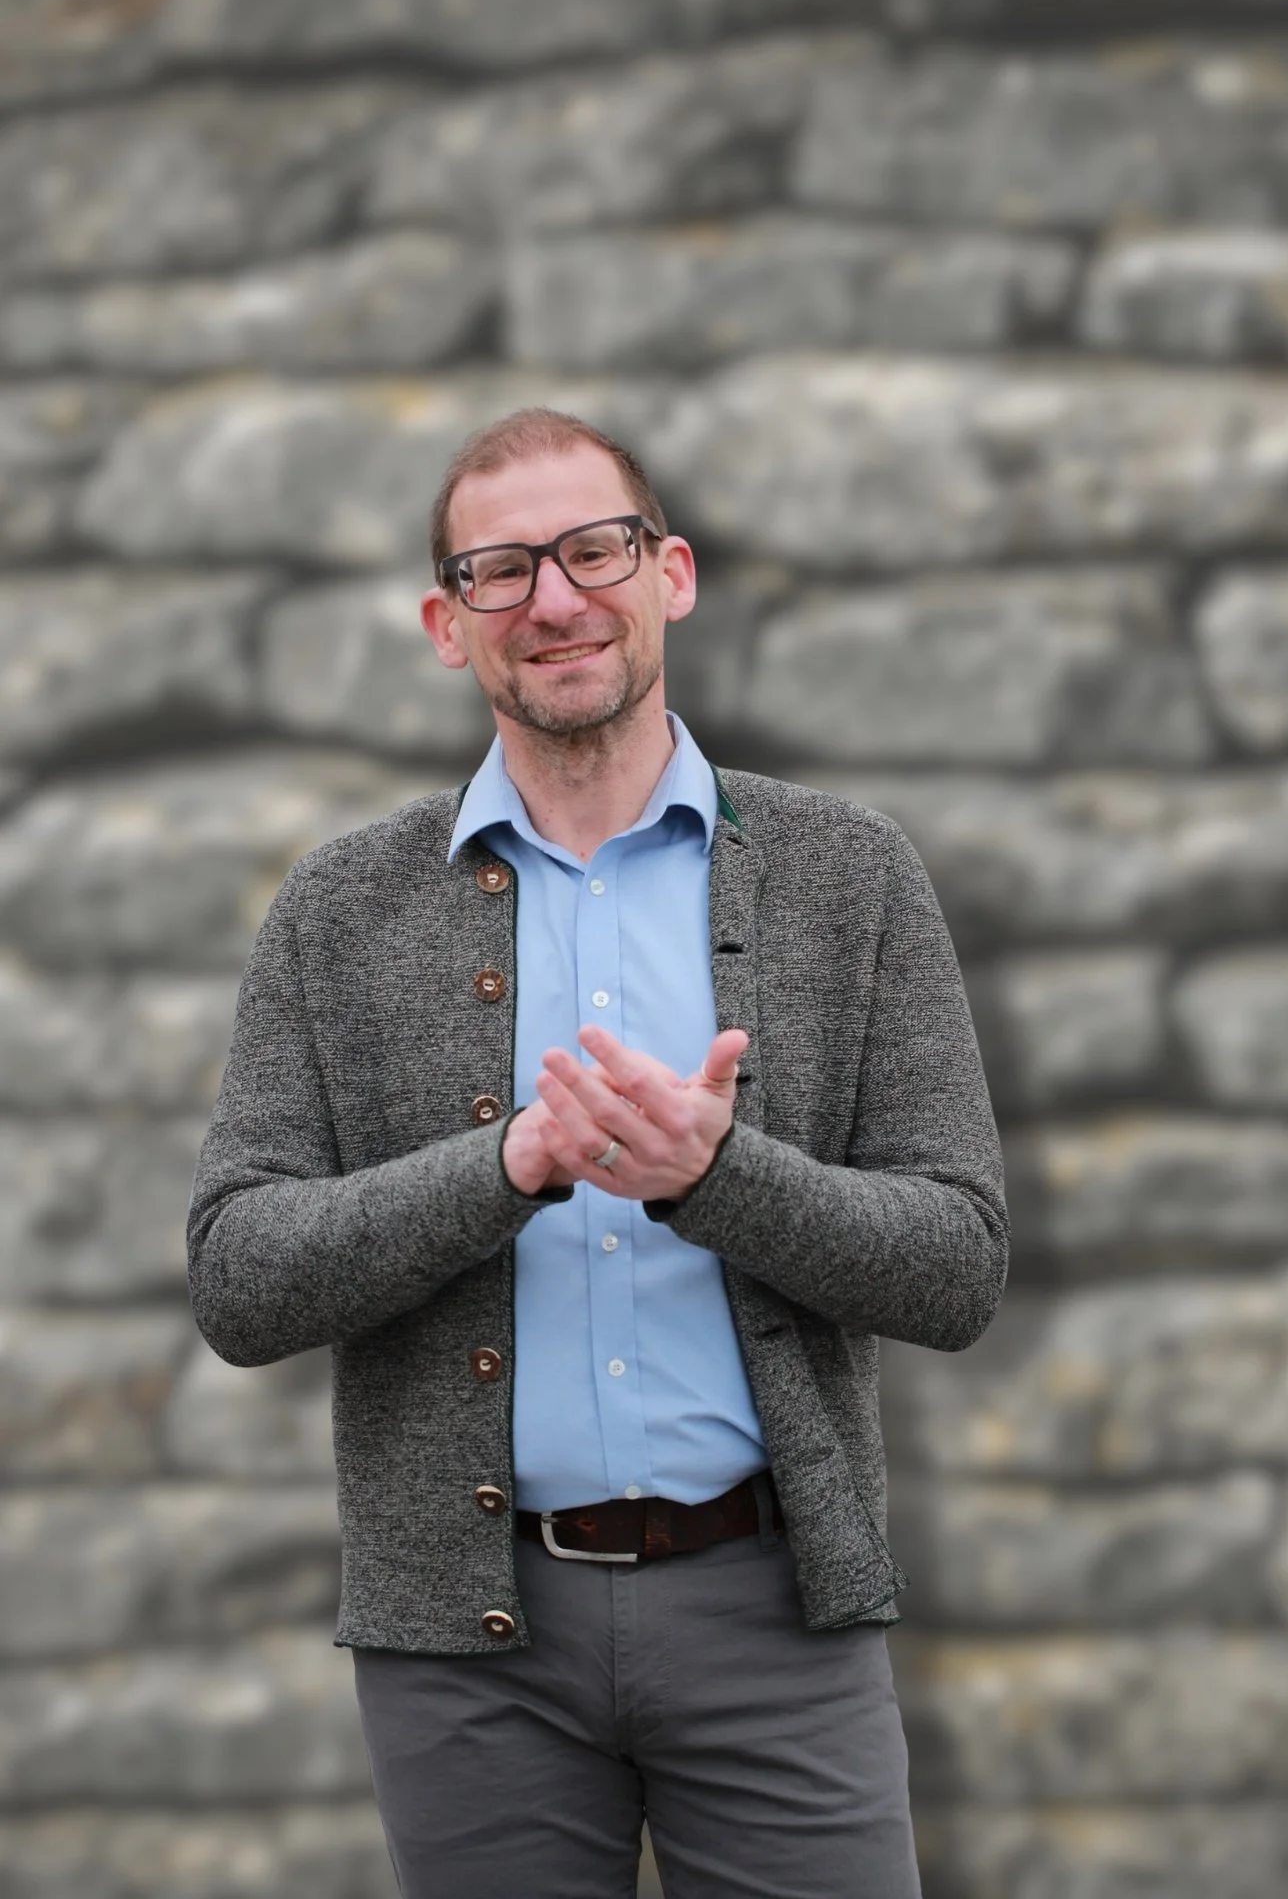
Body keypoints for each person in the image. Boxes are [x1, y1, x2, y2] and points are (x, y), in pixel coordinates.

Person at [186, 407, 1009, 1898]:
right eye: (499, 571)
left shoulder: (849, 875)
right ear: (448, 624)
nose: (554, 600)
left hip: (780, 1617)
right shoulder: (337, 909)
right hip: (466, 1654)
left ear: (671, 574)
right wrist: (505, 1168)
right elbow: (239, 1278)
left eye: (592, 551)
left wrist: (712, 1175)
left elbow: (959, 1264)